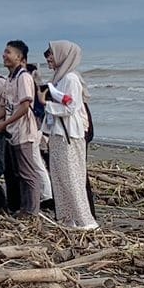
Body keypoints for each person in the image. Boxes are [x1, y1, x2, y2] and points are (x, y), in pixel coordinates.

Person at [42, 40, 99, 230]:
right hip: (60, 134)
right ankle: (67, 219)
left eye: (50, 53)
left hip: (69, 135)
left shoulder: (71, 79)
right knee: (59, 178)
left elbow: (71, 107)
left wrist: (45, 105)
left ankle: (86, 221)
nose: (49, 58)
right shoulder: (61, 78)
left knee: (72, 177)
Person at [0, 41, 43, 216]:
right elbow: (7, 107)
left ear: (19, 57)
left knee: (28, 173)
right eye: (4, 51)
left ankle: (32, 211)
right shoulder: (10, 78)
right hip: (13, 131)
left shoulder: (23, 77)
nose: (4, 55)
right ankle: (25, 208)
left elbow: (25, 107)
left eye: (8, 52)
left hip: (24, 131)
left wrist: (4, 124)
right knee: (19, 173)